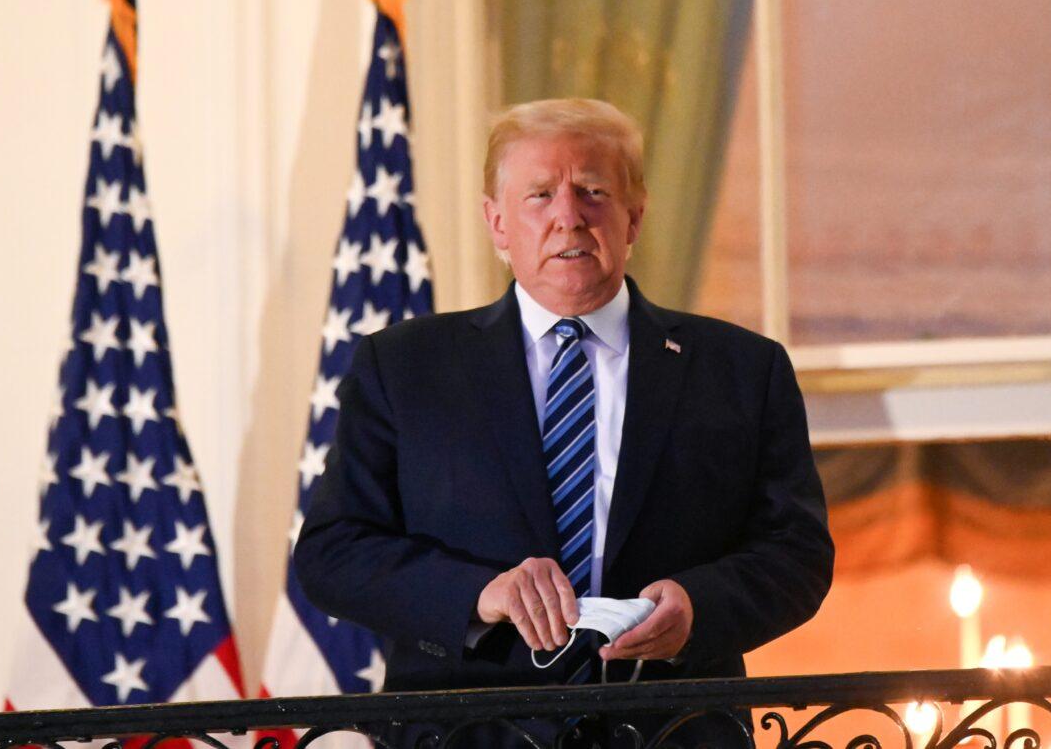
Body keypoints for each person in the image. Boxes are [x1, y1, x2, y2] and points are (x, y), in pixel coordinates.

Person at [295, 98, 833, 740]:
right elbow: (332, 552)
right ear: (496, 223)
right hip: (467, 735)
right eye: (540, 195)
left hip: (676, 730)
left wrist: (699, 610)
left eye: (593, 192)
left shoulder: (744, 369)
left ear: (634, 216)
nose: (568, 218)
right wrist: (478, 594)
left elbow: (797, 553)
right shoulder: (405, 366)